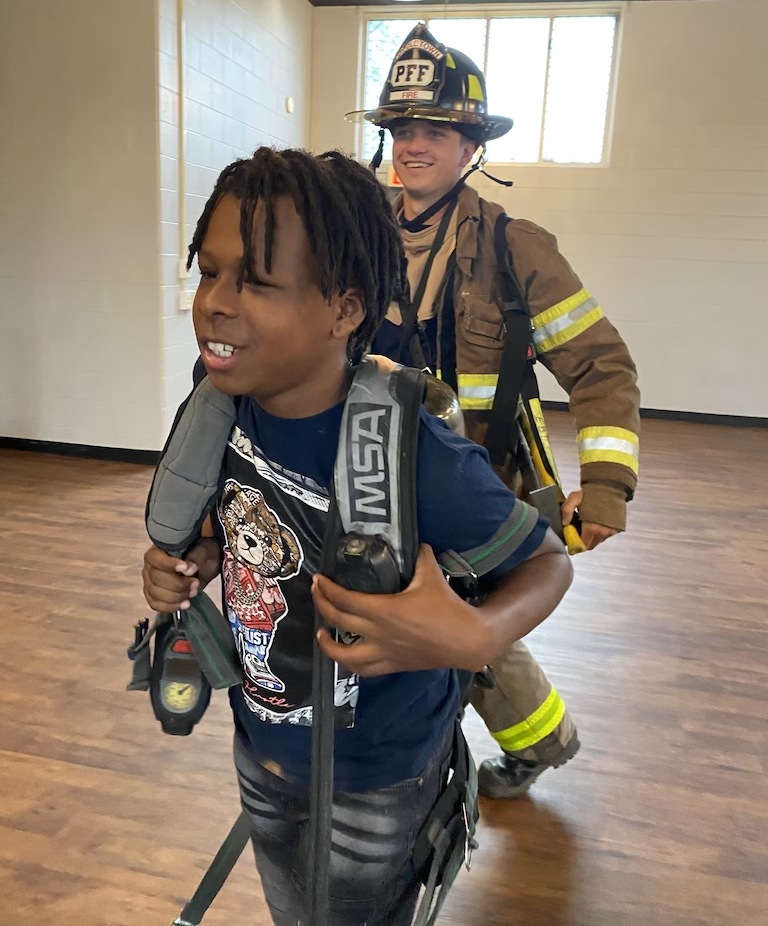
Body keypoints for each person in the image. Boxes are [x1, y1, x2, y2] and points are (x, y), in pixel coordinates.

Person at [141, 147, 573, 926]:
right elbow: (244, 515)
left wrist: (476, 636)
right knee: (293, 908)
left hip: (380, 774)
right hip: (261, 741)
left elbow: (546, 563)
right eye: (210, 272)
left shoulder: (415, 452)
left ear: (344, 309)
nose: (215, 302)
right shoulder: (221, 411)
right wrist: (199, 558)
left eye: (257, 281)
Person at [346, 23, 641, 799]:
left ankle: (516, 749)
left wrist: (606, 485)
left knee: (454, 627)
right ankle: (507, 744)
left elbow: (602, 366)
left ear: (471, 144)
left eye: (436, 130)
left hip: (473, 483)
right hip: (367, 477)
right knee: (412, 621)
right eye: (403, 129)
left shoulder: (518, 250)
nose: (415, 145)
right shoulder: (353, 232)